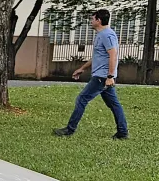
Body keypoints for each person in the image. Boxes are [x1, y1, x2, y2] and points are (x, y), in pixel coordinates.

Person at [53, 9, 128, 140]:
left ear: (98, 20)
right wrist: (82, 69)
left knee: (82, 99)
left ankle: (70, 129)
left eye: (92, 19)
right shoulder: (102, 35)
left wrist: (110, 77)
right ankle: (122, 132)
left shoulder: (107, 35)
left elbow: (113, 55)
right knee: (114, 104)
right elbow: (98, 57)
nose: (91, 21)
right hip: (102, 76)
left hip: (102, 77)